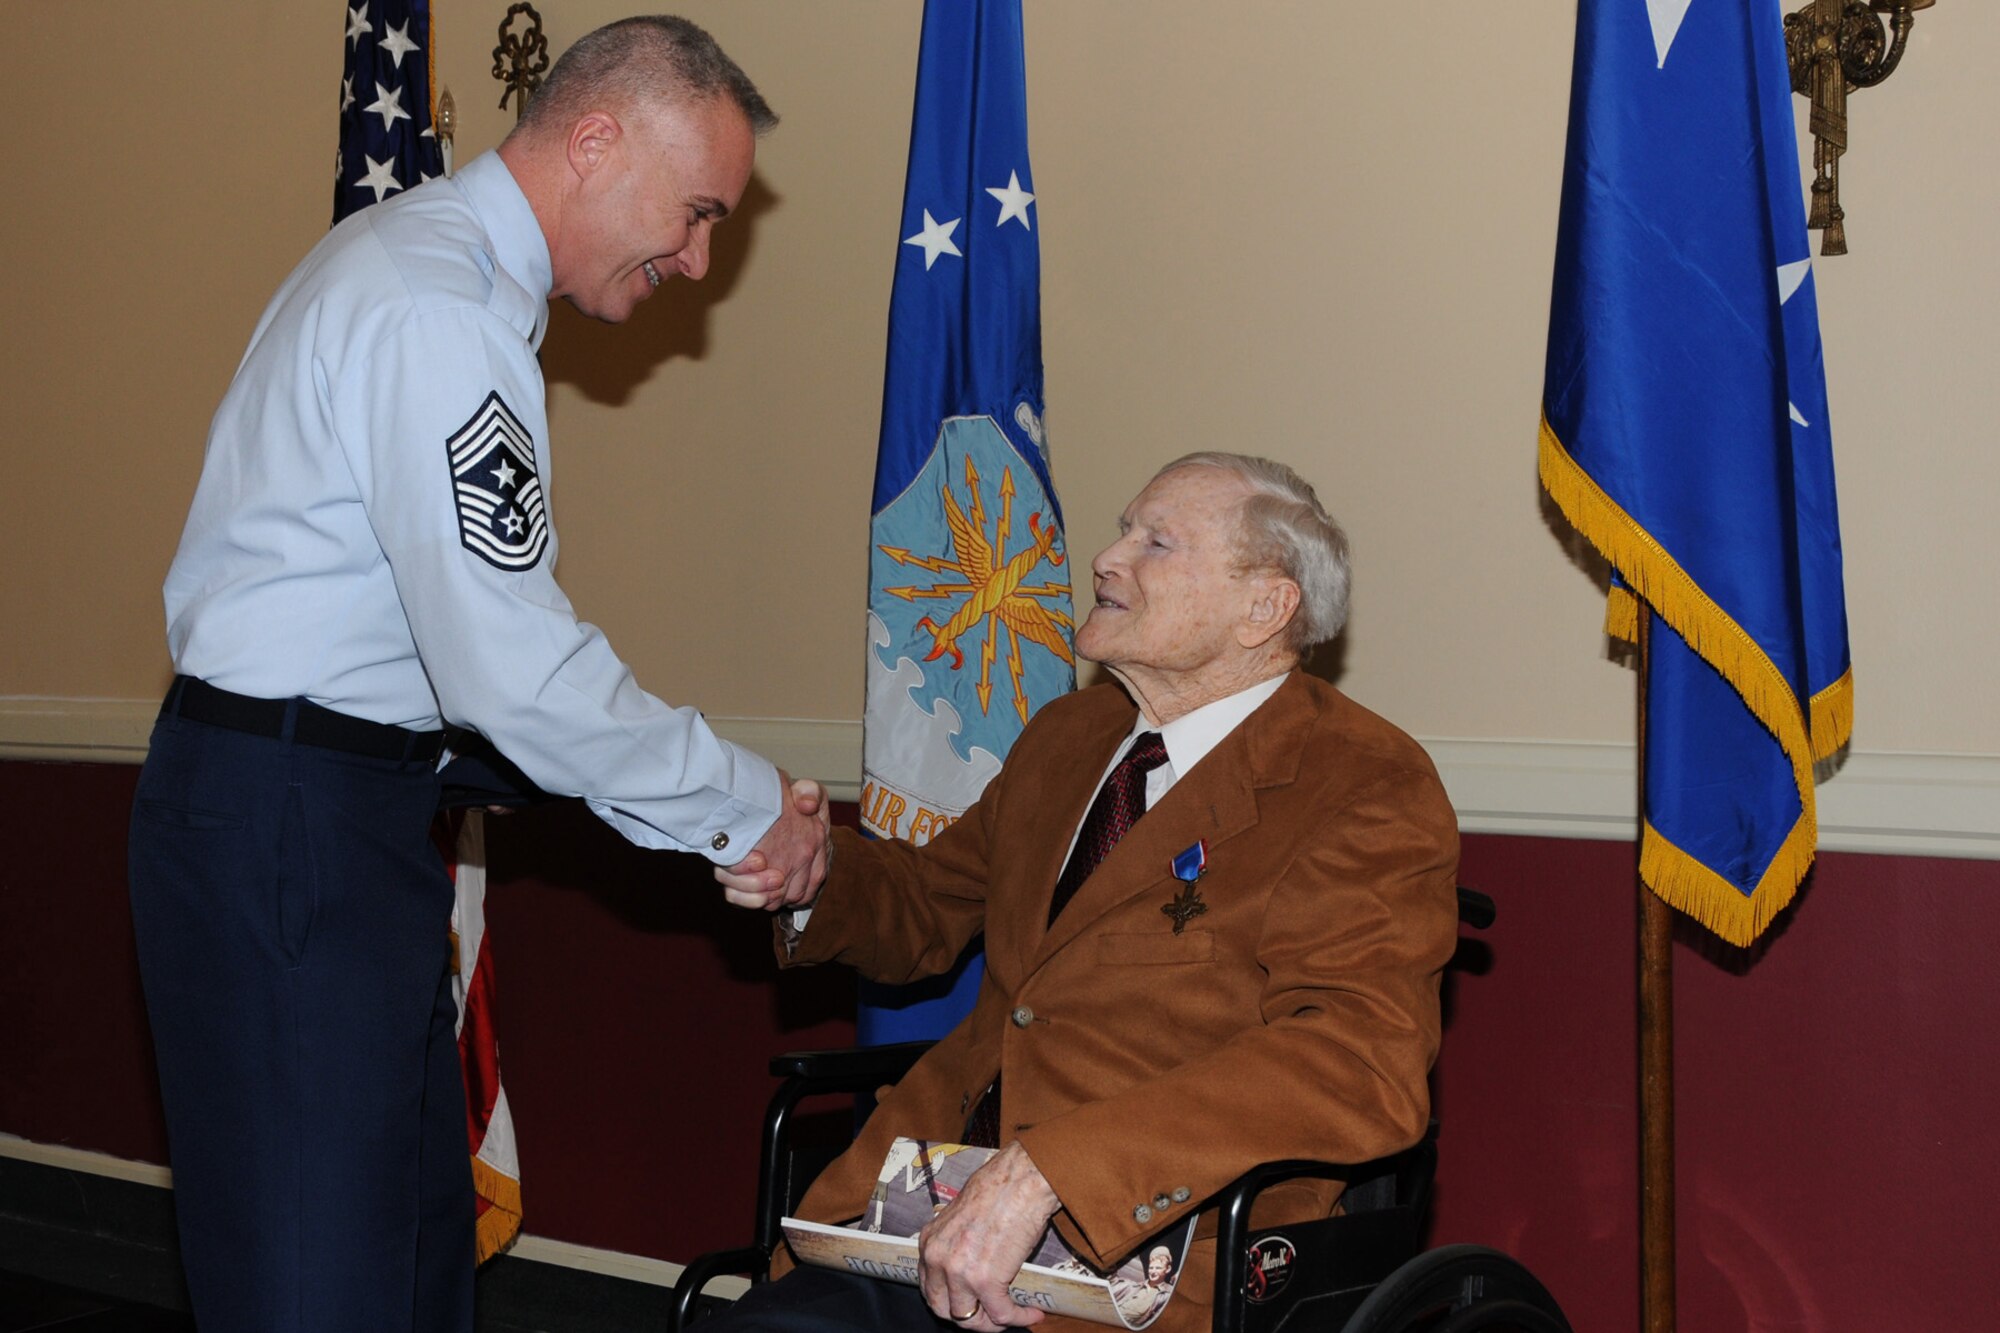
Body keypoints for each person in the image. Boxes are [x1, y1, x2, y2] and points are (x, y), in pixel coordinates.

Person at [126, 17, 825, 1333]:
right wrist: (743, 805)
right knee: (317, 1290)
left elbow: (431, 649)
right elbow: (511, 665)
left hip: (330, 818)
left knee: (401, 1262)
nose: (699, 258)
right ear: (598, 137)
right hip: (298, 834)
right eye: (697, 212)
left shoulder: (439, 281)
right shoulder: (438, 306)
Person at [710, 453, 1461, 1333]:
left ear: (1265, 605)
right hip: (925, 1211)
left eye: (1155, 541)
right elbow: (927, 905)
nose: (1107, 558)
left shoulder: (1361, 780)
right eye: (1122, 530)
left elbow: (1359, 1060)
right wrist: (814, 876)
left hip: (1144, 1258)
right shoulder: (1070, 736)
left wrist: (1053, 1171)